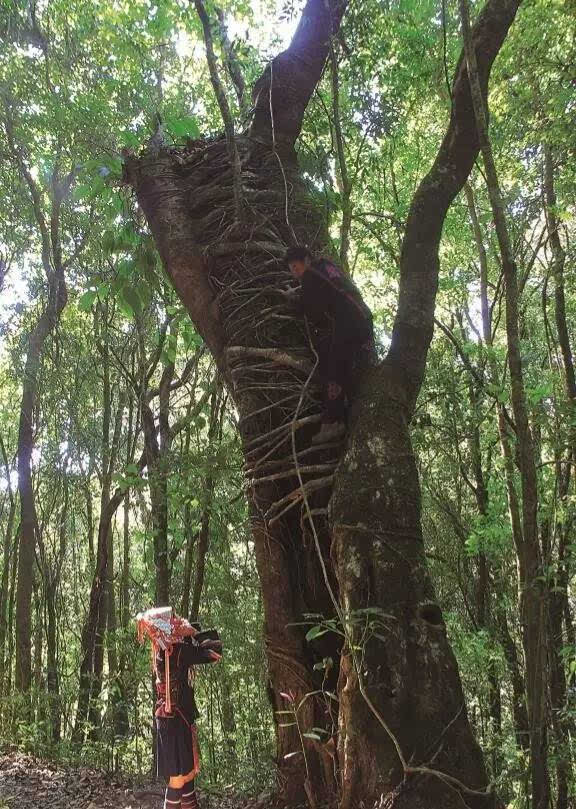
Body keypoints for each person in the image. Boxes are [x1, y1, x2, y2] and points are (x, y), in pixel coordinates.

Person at [284, 246, 374, 444]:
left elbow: (313, 311)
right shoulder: (327, 266)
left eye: (296, 266)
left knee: (333, 365)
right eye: (291, 268)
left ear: (306, 260)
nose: (294, 272)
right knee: (342, 363)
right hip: (363, 319)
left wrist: (293, 300)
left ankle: (333, 422)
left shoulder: (310, 276)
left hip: (348, 322)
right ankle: (344, 411)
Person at [137, 608, 222, 809]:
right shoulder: (178, 651)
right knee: (178, 779)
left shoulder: (162, 648)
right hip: (176, 721)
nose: (177, 621)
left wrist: (188, 630)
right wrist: (192, 632)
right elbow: (215, 651)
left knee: (185, 777)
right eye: (173, 620)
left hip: (170, 720)